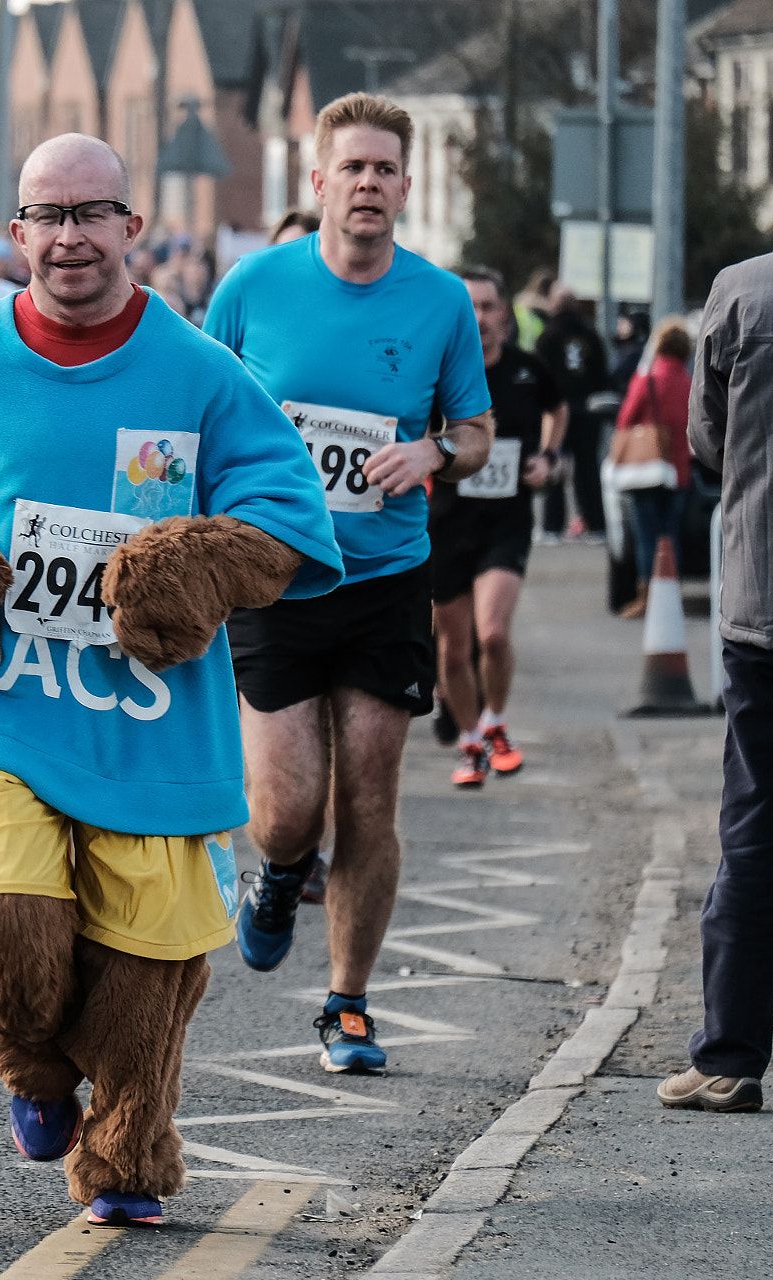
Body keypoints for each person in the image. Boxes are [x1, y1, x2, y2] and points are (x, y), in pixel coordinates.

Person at [0, 133, 341, 1227]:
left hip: (150, 723)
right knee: (2, 925)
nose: (68, 237)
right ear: (16, 235)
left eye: (91, 213)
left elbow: (288, 520)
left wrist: (204, 560)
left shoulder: (205, 376)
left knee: (142, 970)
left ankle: (124, 1141)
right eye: (47, 216)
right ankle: (31, 1069)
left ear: (132, 228)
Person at [202, 92, 493, 1073]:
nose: (368, 183)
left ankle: (348, 1003)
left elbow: (477, 429)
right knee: (287, 808)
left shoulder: (441, 301)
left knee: (369, 794)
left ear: (405, 189)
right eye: (352, 167)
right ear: (317, 182)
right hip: (277, 577)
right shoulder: (252, 286)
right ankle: (280, 869)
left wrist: (434, 455)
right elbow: (198, 408)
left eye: (384, 170)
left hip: (385, 576)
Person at [661, 187, 773, 1115]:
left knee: (754, 843)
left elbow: (707, 443)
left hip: (769, 611)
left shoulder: (744, 289)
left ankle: (728, 1058)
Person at [430, 267, 566, 787]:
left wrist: (548, 458)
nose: (481, 318)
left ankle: (495, 724)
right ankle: (469, 741)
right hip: (447, 523)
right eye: (471, 308)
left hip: (506, 521)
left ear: (505, 315)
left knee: (494, 633)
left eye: (489, 307)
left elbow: (559, 409)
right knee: (454, 648)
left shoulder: (528, 370)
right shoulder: (441, 375)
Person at [613, 319, 693, 620]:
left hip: (647, 468)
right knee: (670, 537)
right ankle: (672, 597)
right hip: (679, 471)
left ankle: (646, 598)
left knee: (647, 536)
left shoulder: (648, 380)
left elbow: (625, 419)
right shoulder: (689, 383)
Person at [535, 282, 609, 543]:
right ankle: (596, 526)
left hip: (557, 409)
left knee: (553, 462)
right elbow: (602, 374)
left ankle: (552, 528)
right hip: (588, 409)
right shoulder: (590, 335)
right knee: (588, 470)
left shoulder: (548, 335)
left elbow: (539, 373)